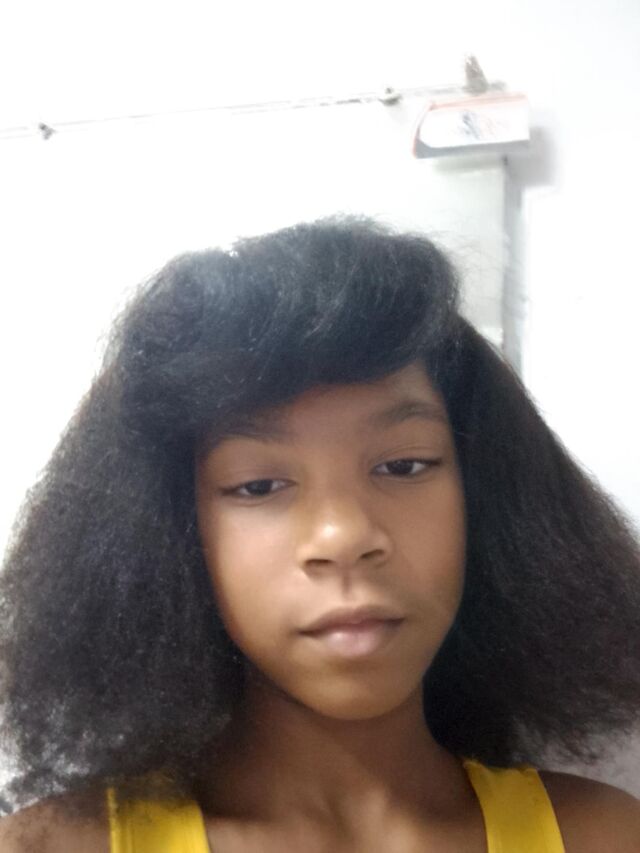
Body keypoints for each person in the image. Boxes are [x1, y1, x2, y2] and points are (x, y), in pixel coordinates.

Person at [0, 217, 639, 852]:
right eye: (257, 485)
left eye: (404, 466)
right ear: (170, 533)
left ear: (489, 498)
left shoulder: (605, 836)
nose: (344, 535)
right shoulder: (53, 848)